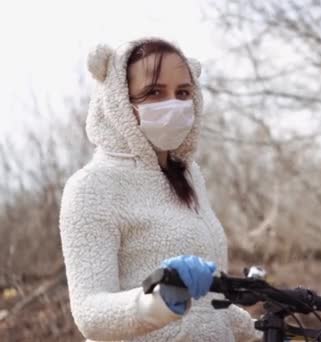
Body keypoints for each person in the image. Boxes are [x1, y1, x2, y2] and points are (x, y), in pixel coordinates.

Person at [58, 37, 260, 341]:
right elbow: (90, 313)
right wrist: (158, 302)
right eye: (153, 92)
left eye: (183, 93)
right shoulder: (91, 187)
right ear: (119, 101)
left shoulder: (189, 178)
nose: (173, 105)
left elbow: (206, 307)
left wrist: (262, 332)